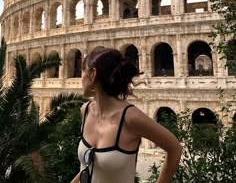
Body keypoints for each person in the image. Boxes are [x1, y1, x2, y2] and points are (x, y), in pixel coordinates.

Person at [71, 48, 182, 183]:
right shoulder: (86, 111)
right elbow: (90, 167)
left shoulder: (130, 117)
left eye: (83, 70)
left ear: (93, 74)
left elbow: (174, 148)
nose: (80, 76)